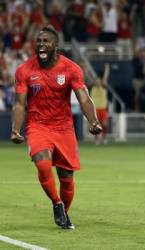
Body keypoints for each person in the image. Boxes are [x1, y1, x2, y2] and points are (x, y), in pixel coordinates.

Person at [11, 25, 102, 230]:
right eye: (39, 41)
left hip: (64, 128)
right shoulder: (24, 70)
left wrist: (93, 121)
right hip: (38, 125)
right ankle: (57, 203)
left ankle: (64, 215)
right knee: (42, 164)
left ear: (56, 45)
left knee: (66, 178)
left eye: (46, 41)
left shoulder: (71, 69)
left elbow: (84, 98)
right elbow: (19, 104)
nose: (41, 44)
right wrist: (16, 129)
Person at [90, 63, 110, 145]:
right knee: (95, 125)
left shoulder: (103, 86)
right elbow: (88, 77)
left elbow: (105, 78)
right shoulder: (92, 88)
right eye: (96, 80)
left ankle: (105, 137)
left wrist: (107, 69)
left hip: (103, 108)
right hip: (95, 109)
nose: (98, 81)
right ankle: (97, 139)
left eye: (99, 80)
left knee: (105, 124)